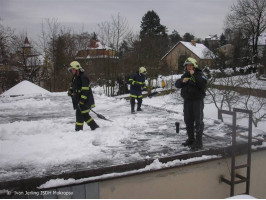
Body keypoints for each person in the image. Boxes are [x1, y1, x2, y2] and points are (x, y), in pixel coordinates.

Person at [175, 57, 207, 149]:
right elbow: (177, 84)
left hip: (197, 101)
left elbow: (203, 84)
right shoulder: (185, 75)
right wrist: (182, 81)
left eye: (190, 65)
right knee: (188, 120)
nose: (189, 67)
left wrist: (194, 76)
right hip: (187, 101)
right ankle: (191, 139)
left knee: (198, 121)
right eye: (187, 65)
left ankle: (199, 142)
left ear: (194, 66)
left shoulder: (200, 74)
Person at [68, 61, 99, 131]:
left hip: (85, 101)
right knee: (85, 116)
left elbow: (85, 91)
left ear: (77, 69)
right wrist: (70, 91)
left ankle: (78, 130)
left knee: (79, 115)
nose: (71, 71)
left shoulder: (83, 77)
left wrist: (82, 101)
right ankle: (95, 127)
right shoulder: (75, 77)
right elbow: (73, 86)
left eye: (72, 69)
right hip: (80, 100)